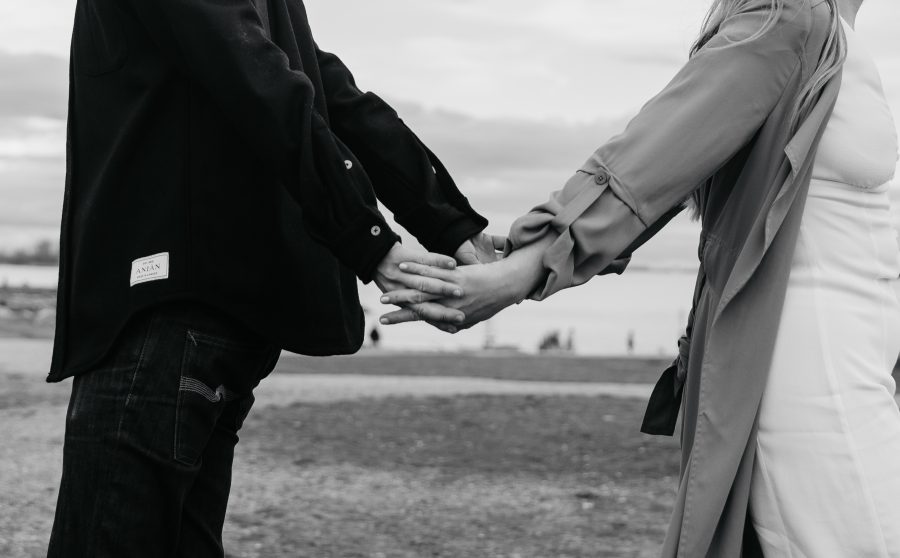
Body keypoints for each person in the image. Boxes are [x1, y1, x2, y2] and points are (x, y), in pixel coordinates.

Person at [381, 0, 900, 555]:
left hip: (865, 364)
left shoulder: (843, 40)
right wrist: (527, 265)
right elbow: (654, 160)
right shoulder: (794, 18)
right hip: (813, 375)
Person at [46, 0, 497, 555]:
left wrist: (389, 234)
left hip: (167, 312)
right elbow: (310, 84)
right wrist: (440, 224)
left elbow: (274, 81)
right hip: (218, 316)